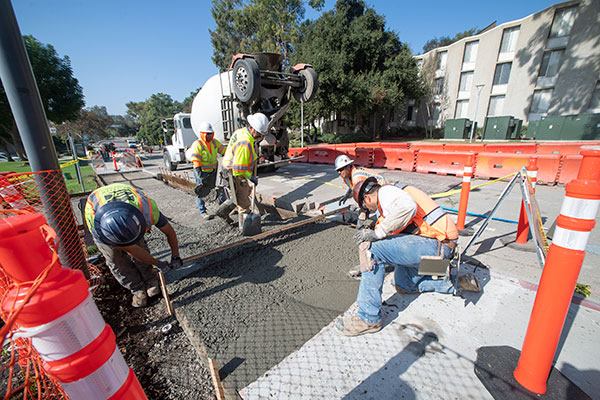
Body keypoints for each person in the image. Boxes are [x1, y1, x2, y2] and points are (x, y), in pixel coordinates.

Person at [336, 177, 462, 336]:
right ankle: (451, 281)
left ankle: (368, 318)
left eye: (366, 207)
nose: (368, 210)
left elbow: (408, 207)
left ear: (367, 198)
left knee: (370, 249)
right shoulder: (391, 200)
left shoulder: (386, 193)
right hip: (440, 250)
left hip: (438, 245)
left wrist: (377, 235)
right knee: (402, 285)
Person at [84, 183, 182, 308]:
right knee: (116, 259)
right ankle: (137, 289)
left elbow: (169, 232)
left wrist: (175, 256)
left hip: (128, 212)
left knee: (140, 246)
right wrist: (157, 263)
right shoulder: (98, 224)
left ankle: (150, 281)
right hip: (101, 219)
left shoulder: (147, 209)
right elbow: (131, 250)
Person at [222, 112, 268, 223]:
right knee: (243, 199)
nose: (260, 136)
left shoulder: (242, 132)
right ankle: (245, 225)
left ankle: (224, 211)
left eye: (262, 134)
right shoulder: (245, 142)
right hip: (234, 173)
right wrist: (251, 177)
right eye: (259, 133)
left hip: (228, 169)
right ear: (251, 128)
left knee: (238, 194)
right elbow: (238, 169)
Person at [335, 154, 388, 229]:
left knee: (377, 209)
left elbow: (361, 197)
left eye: (341, 169)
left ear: (348, 167)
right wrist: (346, 196)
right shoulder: (347, 177)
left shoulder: (357, 177)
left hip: (382, 188)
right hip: (370, 190)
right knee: (366, 206)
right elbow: (353, 188)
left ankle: (379, 228)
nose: (339, 172)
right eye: (338, 170)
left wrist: (359, 208)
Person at [189, 121, 227, 218]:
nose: (209, 136)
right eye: (207, 134)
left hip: (213, 172)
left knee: (220, 189)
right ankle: (203, 211)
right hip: (201, 172)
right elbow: (196, 162)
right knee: (202, 191)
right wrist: (201, 177)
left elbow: (224, 150)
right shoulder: (197, 144)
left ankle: (223, 208)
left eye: (210, 133)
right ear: (202, 134)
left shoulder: (214, 142)